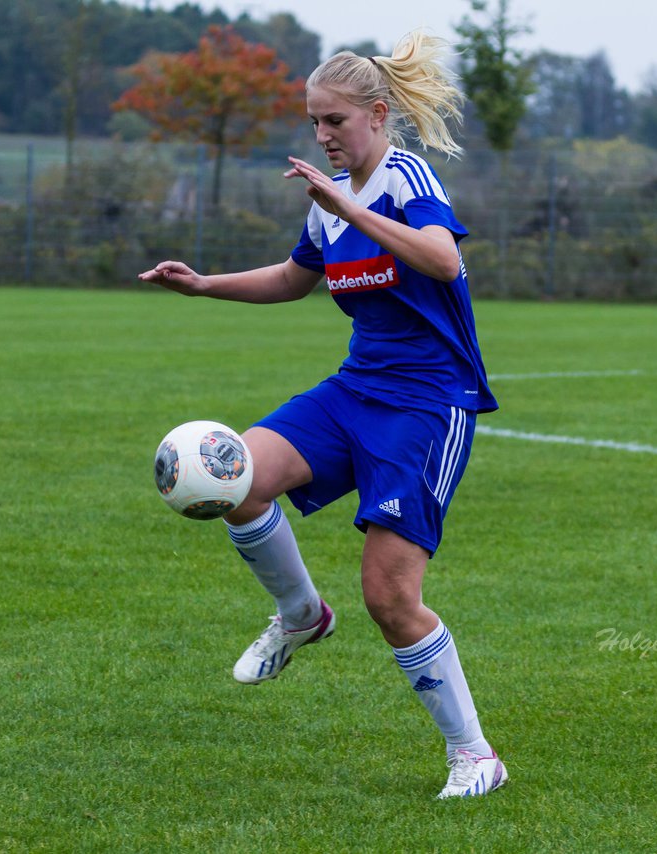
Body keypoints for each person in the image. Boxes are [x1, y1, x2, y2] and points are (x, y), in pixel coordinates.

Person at [139, 31, 505, 799]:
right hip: (356, 389)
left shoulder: (404, 177)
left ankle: (475, 757)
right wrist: (205, 285)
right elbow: (290, 277)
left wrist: (349, 206)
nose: (322, 136)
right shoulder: (326, 201)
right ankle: (301, 613)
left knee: (390, 599)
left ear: (377, 115)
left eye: (335, 121)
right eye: (313, 122)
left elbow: (443, 258)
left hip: (427, 404)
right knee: (237, 478)